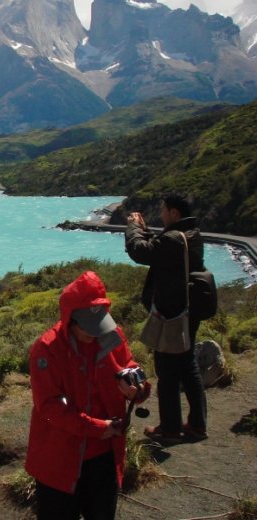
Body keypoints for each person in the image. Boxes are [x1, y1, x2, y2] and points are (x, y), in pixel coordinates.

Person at [25, 270, 150, 520]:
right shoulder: (47, 350)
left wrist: (139, 390)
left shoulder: (113, 336)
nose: (95, 333)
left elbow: (131, 368)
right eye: (88, 327)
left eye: (99, 324)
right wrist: (96, 427)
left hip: (105, 455)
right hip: (58, 460)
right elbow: (49, 407)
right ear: (70, 319)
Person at [125, 193, 208, 444]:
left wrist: (133, 228)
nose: (161, 213)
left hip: (171, 313)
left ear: (174, 213)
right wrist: (144, 229)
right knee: (188, 365)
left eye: (163, 210)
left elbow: (140, 251)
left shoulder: (174, 239)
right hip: (188, 311)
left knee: (167, 371)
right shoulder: (190, 234)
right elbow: (162, 248)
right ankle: (197, 425)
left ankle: (170, 429)